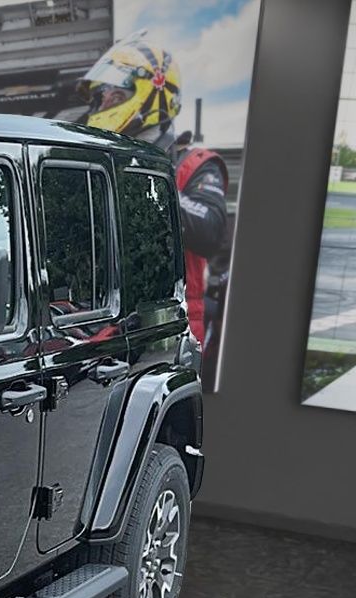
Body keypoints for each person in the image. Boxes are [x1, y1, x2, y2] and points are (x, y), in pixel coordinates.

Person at [78, 34, 229, 379]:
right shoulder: (95, 165)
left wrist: (142, 176)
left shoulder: (196, 164)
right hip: (107, 326)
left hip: (175, 331)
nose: (102, 105)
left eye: (114, 94)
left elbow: (209, 230)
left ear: (153, 93)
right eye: (102, 96)